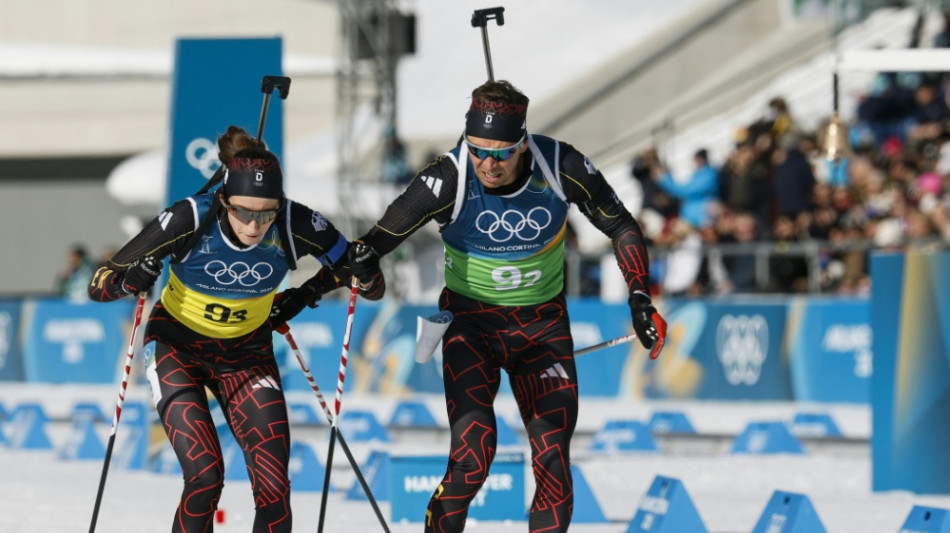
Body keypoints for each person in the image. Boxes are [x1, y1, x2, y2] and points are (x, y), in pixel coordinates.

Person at [349, 80, 667, 532]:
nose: (488, 163)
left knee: (554, 459)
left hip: (542, 330)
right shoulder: (449, 177)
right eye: (478, 149)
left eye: (502, 152)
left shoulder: (561, 164)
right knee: (473, 457)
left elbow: (622, 226)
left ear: (524, 144)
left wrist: (639, 297)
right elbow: (374, 243)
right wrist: (361, 266)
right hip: (470, 325)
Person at [87, 125, 384, 533]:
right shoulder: (190, 217)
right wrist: (128, 281)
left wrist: (311, 292)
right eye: (243, 211)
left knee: (275, 488)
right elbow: (98, 284)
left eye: (266, 213)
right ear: (224, 200)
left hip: (246, 356)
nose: (254, 224)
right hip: (177, 348)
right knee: (206, 476)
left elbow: (363, 279)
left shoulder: (297, 222)